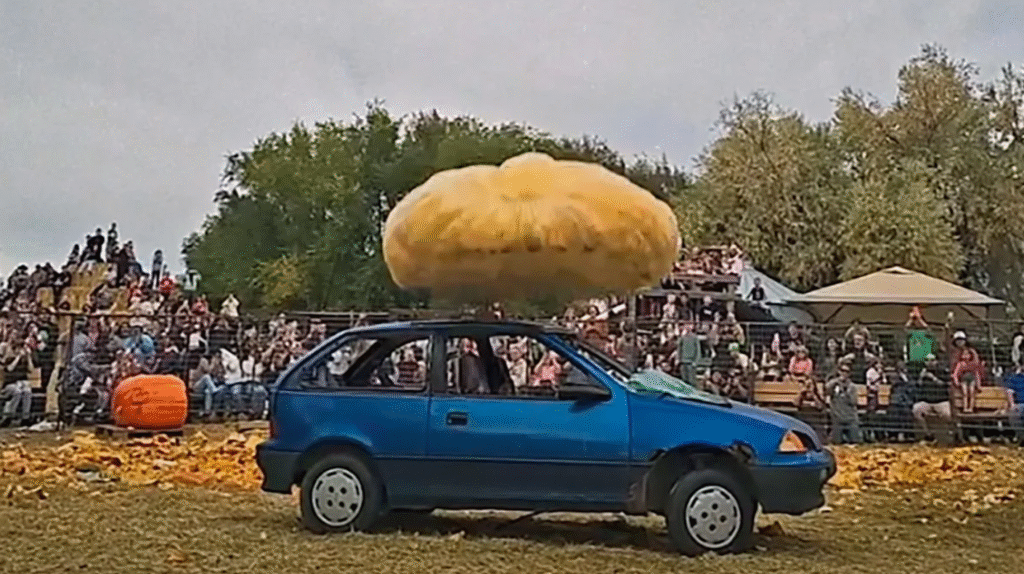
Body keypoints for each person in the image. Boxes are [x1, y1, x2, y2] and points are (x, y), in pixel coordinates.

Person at [912, 355, 956, 444]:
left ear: (936, 361)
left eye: (932, 360)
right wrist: (921, 377)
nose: (930, 362)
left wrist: (933, 378)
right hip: (926, 401)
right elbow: (917, 386)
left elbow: (945, 384)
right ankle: (928, 435)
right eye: (927, 360)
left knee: (947, 414)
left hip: (941, 401)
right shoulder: (922, 372)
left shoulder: (942, 371)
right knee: (916, 410)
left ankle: (951, 432)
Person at [826, 362, 861, 444]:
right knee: (837, 443)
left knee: (854, 442)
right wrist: (836, 382)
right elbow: (826, 390)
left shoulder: (852, 387)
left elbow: (854, 402)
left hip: (850, 418)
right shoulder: (834, 384)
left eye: (847, 371)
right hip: (837, 417)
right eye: (842, 371)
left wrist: (847, 391)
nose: (844, 373)